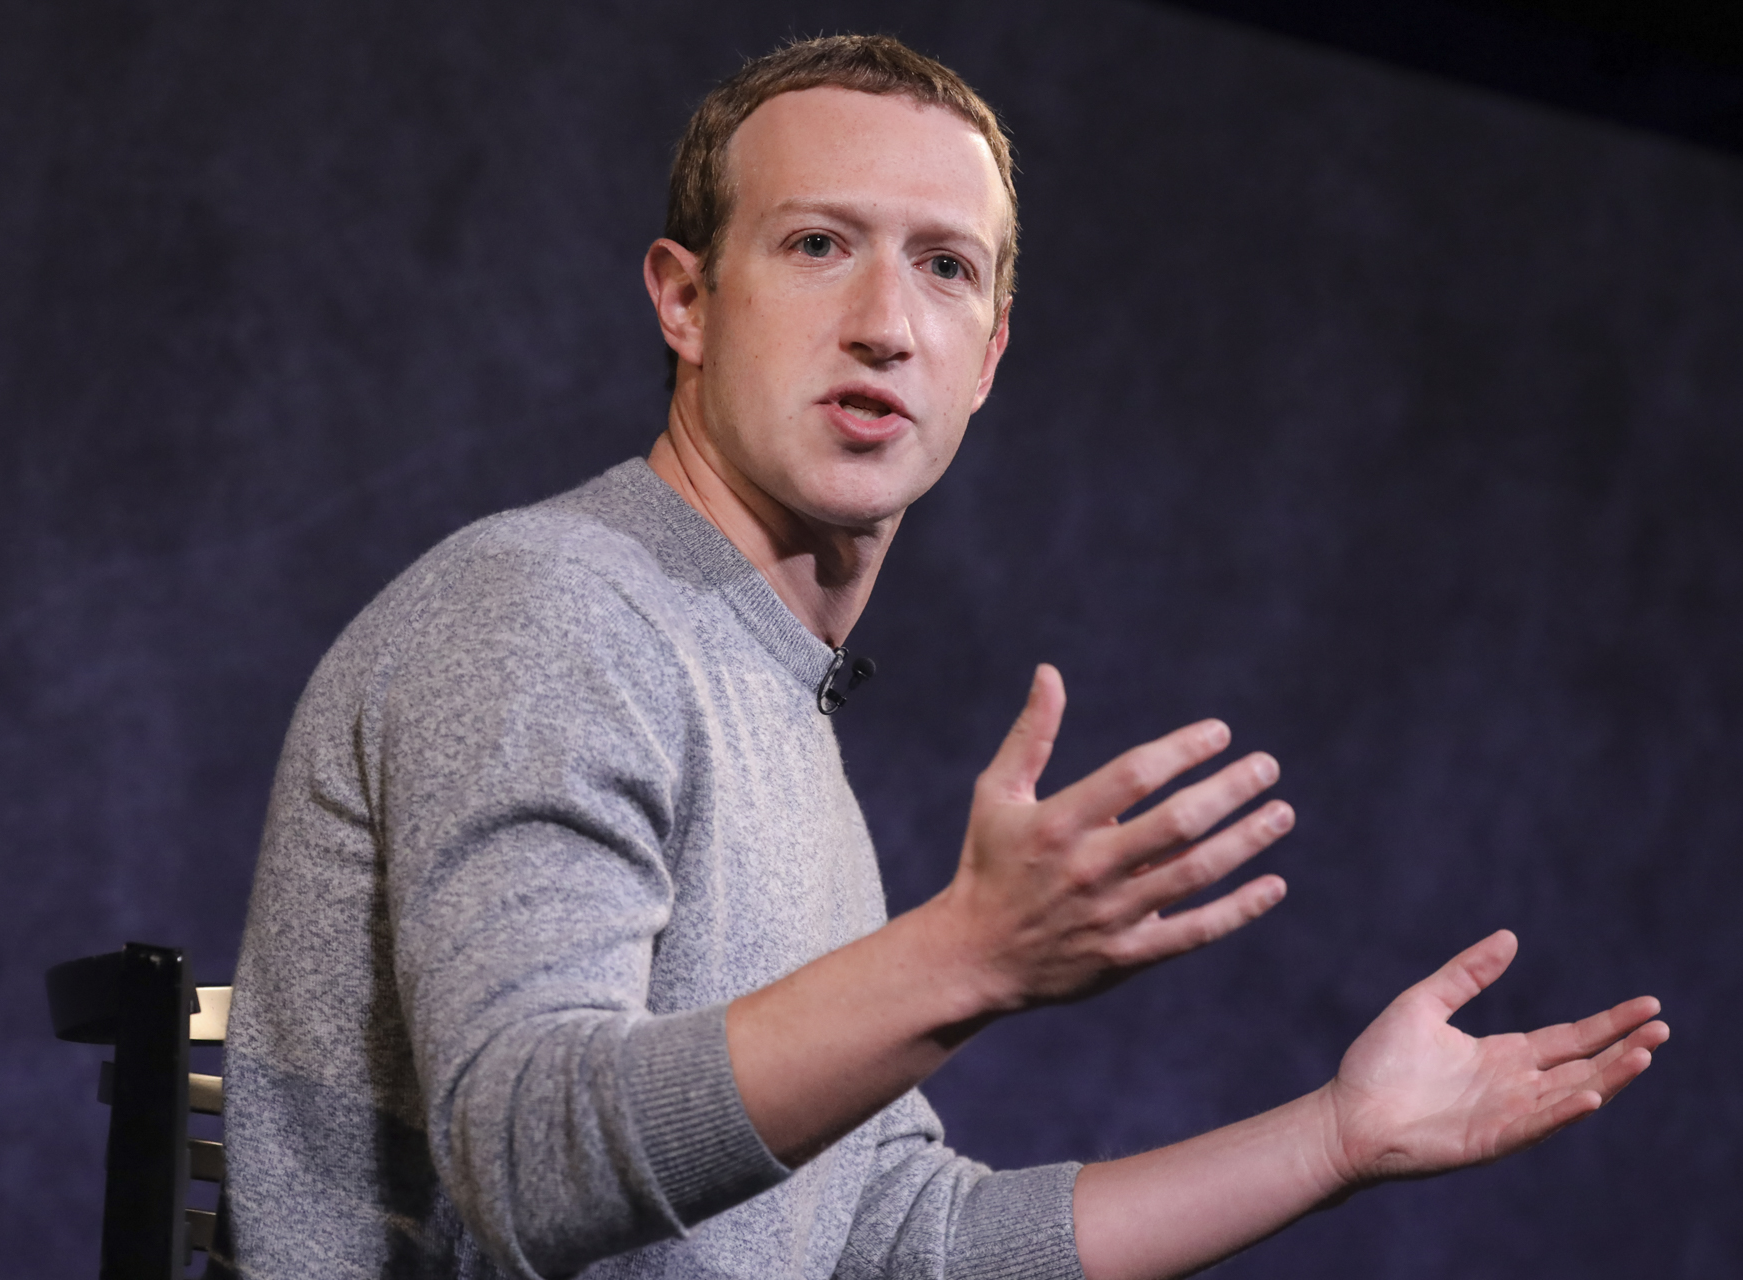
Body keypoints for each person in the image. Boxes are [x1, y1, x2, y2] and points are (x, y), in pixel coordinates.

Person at [212, 34, 1667, 1280]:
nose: (885, 325)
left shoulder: (775, 711)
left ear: (989, 355)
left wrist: (1338, 1138)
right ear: (684, 299)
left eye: (945, 269)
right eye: (816, 245)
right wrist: (963, 956)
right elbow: (526, 1158)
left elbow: (899, 1241)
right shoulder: (549, 613)